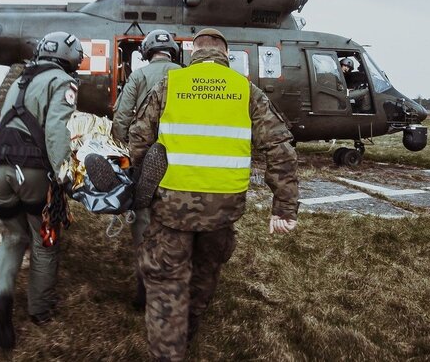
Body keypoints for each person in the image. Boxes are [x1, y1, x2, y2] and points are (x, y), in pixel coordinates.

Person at [128, 28, 299, 361]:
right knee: (206, 271)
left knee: (167, 280)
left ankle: (168, 349)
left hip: (171, 206)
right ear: (226, 55)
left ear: (193, 53)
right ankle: (190, 329)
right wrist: (284, 207)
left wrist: (139, 187)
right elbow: (280, 147)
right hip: (223, 209)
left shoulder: (170, 85)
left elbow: (139, 140)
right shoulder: (245, 90)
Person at [0, 31, 83, 350]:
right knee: (44, 241)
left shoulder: (19, 79)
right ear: (70, 59)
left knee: (12, 237)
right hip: (32, 172)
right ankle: (39, 310)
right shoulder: (63, 83)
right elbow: (56, 130)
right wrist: (65, 173)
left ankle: (0, 301)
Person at [112, 29, 182, 310]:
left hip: (144, 154)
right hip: (177, 158)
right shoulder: (184, 75)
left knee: (142, 218)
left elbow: (122, 115)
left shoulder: (138, 76)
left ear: (147, 52)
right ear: (172, 52)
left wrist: (120, 145)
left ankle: (143, 288)